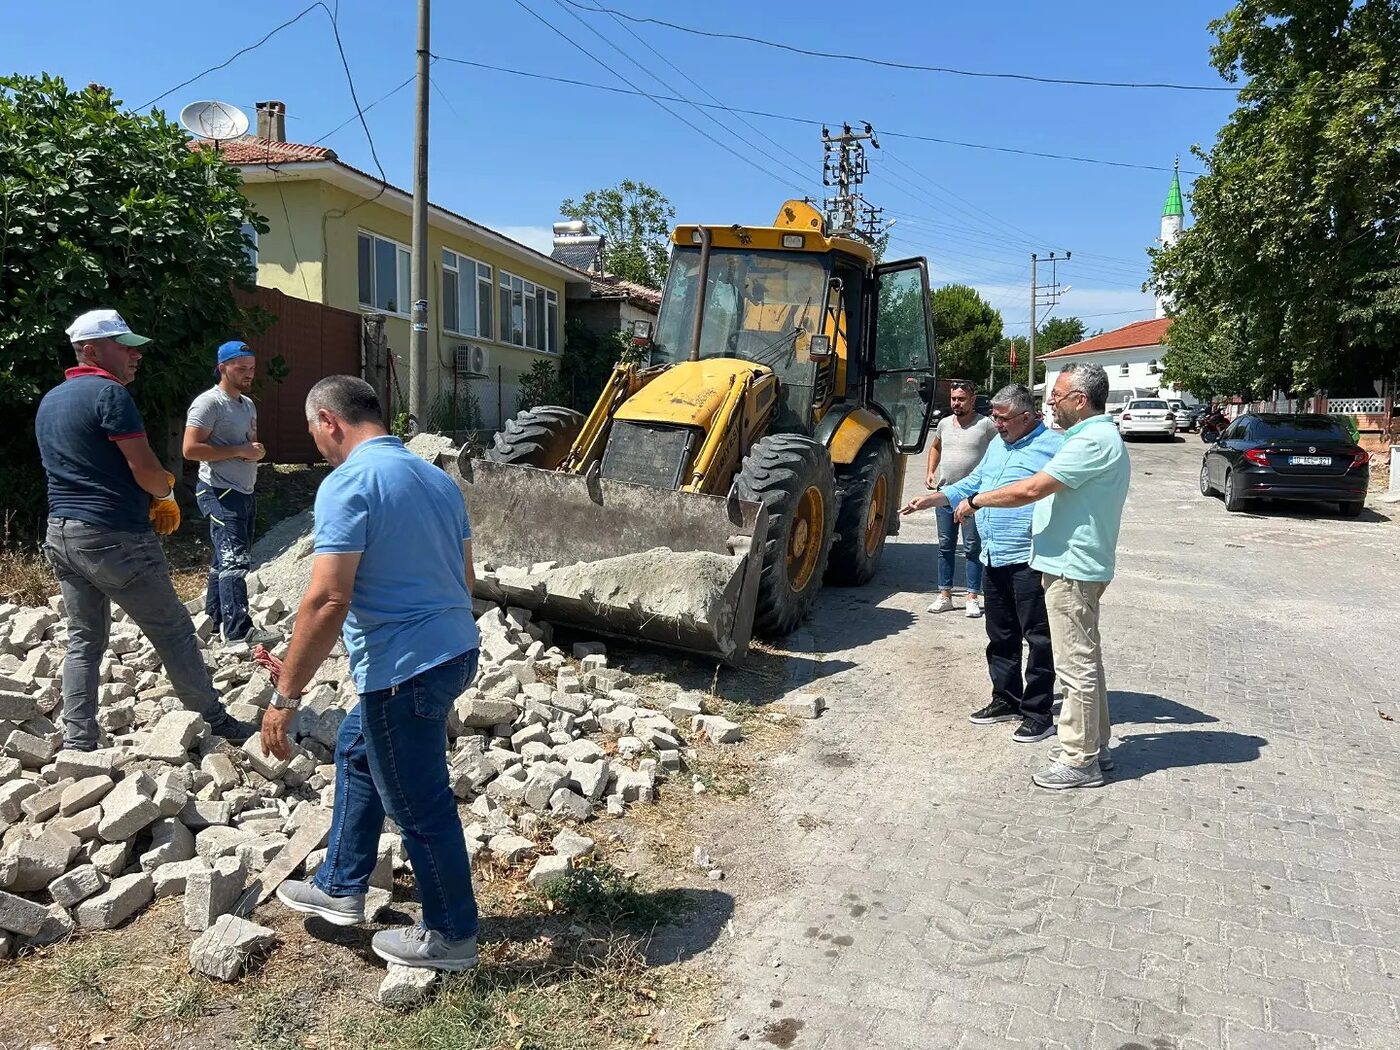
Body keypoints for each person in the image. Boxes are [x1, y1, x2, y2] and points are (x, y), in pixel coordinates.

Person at [262, 375, 482, 971]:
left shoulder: (348, 482)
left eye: (315, 433)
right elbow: (463, 580)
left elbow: (328, 599)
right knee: (359, 746)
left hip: (404, 670)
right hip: (456, 650)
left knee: (418, 803)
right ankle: (341, 883)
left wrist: (285, 693)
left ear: (330, 420)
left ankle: (451, 938)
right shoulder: (437, 480)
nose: (318, 447)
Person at [35, 309, 248, 751]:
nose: (136, 355)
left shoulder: (52, 399)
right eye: (125, 346)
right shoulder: (110, 395)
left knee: (84, 638)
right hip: (115, 535)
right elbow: (146, 469)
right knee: (172, 629)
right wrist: (165, 495)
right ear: (92, 351)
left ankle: (79, 739)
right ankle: (214, 721)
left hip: (62, 533)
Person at [949, 363, 1130, 790]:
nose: (1051, 402)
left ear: (1080, 400)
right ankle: (1095, 747)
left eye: (1058, 396)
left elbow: (1031, 489)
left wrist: (976, 500)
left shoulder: (1092, 440)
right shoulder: (1087, 438)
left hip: (1072, 567)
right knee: (1087, 662)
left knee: (1075, 667)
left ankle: (1079, 759)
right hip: (1069, 565)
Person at [900, 384, 1063, 743]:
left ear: (1026, 416)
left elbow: (1044, 492)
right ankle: (1005, 697)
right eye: (995, 418)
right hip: (994, 553)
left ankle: (1038, 712)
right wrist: (935, 499)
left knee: (1038, 638)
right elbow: (975, 482)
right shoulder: (998, 446)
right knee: (1000, 634)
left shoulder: (1055, 447)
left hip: (1030, 556)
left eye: (1003, 419)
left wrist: (976, 500)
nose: (997, 424)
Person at [183, 340, 276, 647]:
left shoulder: (247, 404)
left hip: (243, 490)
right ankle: (239, 631)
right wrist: (239, 450)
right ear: (222, 368)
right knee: (235, 561)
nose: (248, 373)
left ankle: (212, 620)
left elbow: (245, 444)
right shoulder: (209, 403)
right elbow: (190, 449)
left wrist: (253, 451)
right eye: (241, 368)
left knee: (224, 559)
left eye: (251, 368)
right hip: (218, 490)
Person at [924, 380, 997, 617]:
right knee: (945, 547)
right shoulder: (944, 424)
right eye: (954, 399)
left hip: (973, 498)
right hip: (946, 495)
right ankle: (944, 595)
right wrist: (930, 471)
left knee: (973, 547)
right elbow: (935, 447)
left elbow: (1001, 451)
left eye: (961, 399)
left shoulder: (986, 425)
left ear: (972, 400)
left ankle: (972, 597)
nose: (956, 403)